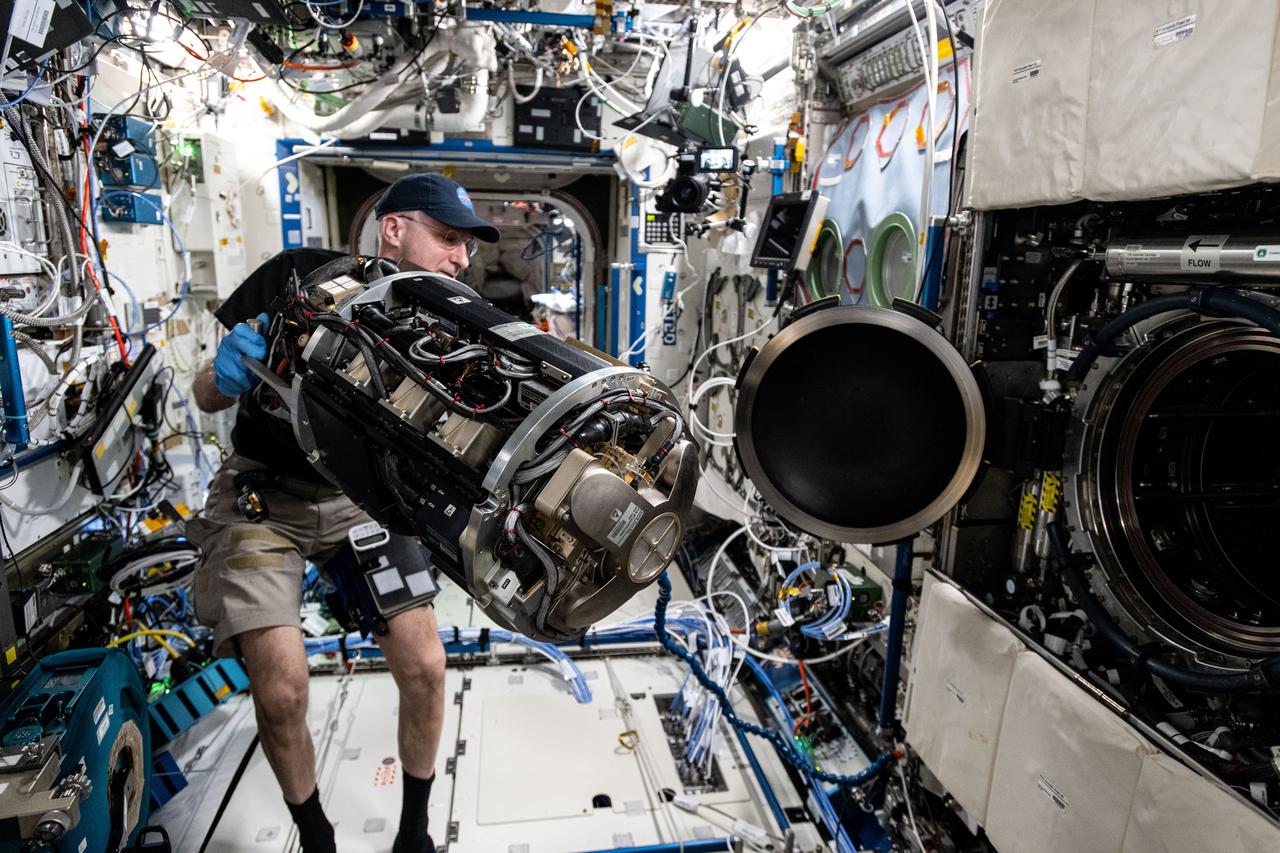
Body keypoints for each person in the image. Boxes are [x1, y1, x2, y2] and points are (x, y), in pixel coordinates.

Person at [190, 173, 500, 853]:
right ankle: (316, 835)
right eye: (447, 239)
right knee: (281, 689)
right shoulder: (299, 275)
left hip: (361, 499)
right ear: (395, 229)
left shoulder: (451, 325)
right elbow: (205, 392)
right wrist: (226, 371)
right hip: (265, 496)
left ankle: (414, 830)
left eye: (467, 249)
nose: (459, 259)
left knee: (425, 664)